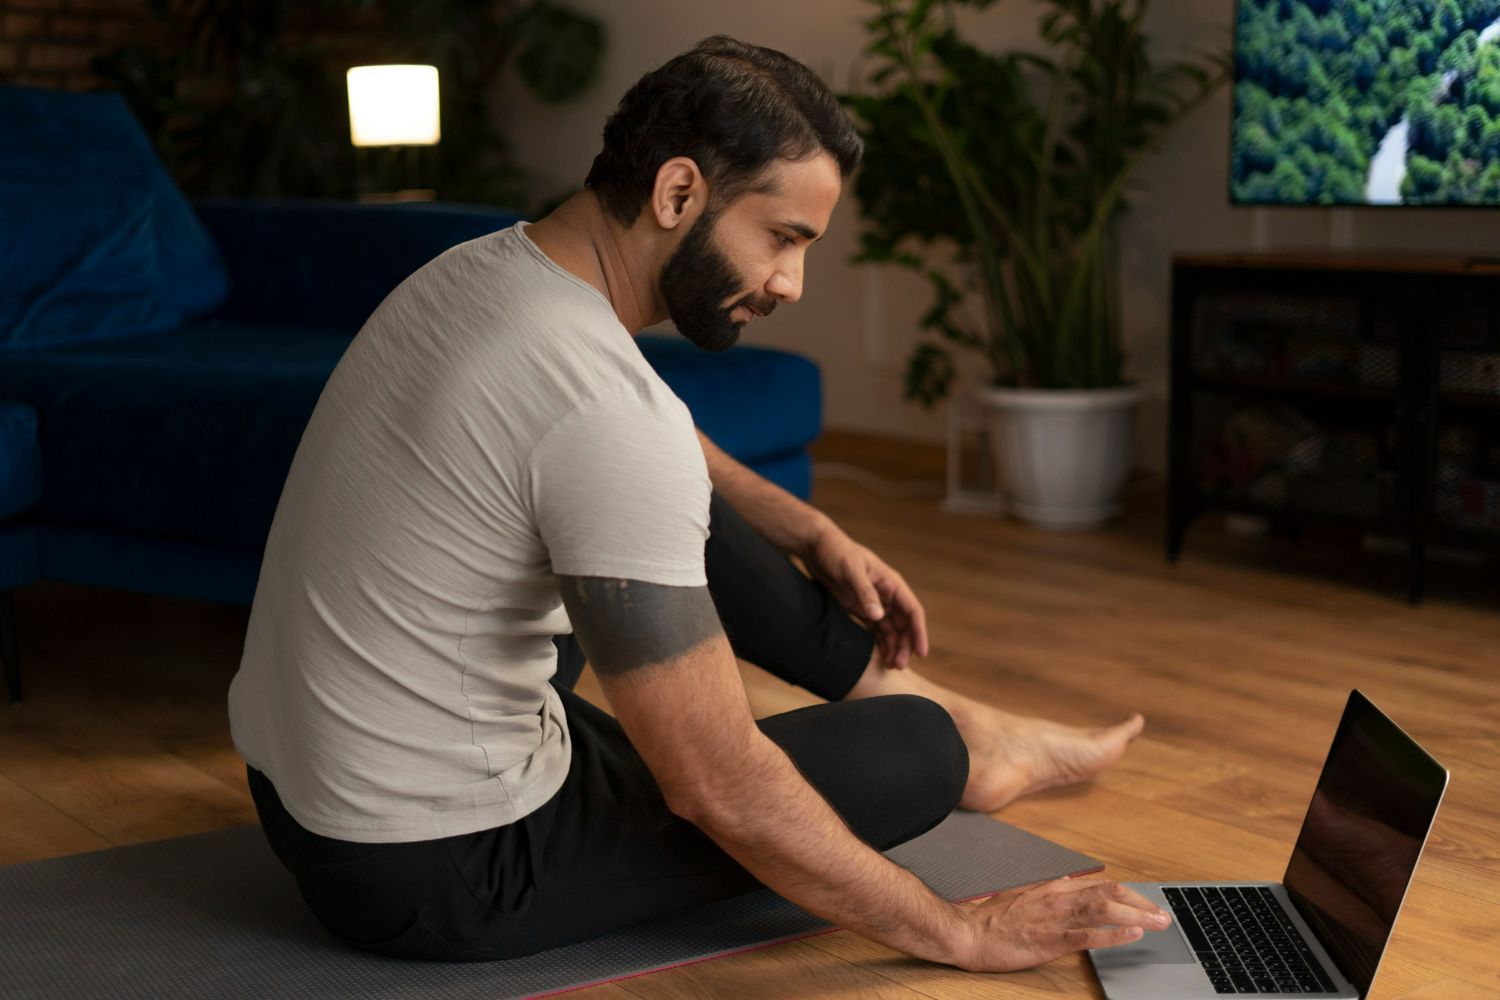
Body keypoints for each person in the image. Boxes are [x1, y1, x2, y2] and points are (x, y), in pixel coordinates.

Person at [227, 34, 1169, 973]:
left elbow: (637, 438)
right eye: (783, 238)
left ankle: (949, 710)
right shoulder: (603, 410)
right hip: (436, 869)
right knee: (919, 750)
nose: (791, 282)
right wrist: (963, 930)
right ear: (677, 193)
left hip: (308, 798)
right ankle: (956, 729)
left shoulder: (483, 274)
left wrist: (807, 525)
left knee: (679, 498)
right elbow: (716, 787)